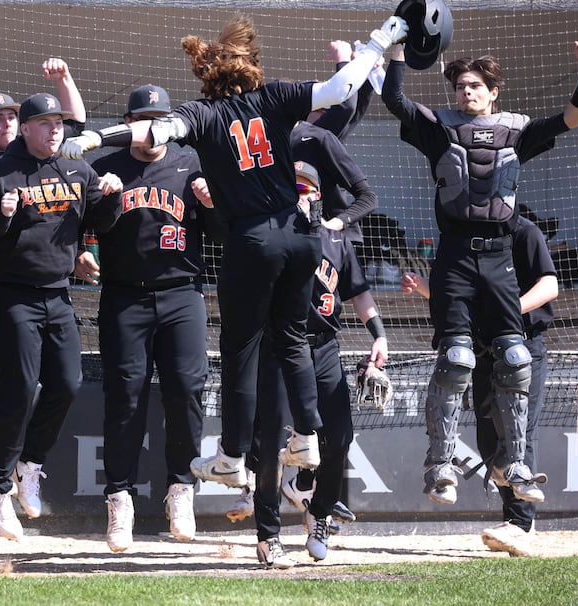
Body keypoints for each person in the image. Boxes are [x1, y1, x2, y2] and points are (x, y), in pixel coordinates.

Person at [61, 14, 408, 489]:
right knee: (291, 338)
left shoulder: (202, 114)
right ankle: (306, 435)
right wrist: (380, 39)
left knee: (240, 349)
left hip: (254, 239)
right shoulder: (277, 96)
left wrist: (97, 137)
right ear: (250, 69)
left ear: (209, 76)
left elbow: (154, 133)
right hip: (303, 235)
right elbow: (341, 88)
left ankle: (230, 456)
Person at [381, 41, 578, 504]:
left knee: (515, 358)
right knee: (456, 360)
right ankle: (440, 465)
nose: (465, 92)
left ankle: (515, 462)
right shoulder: (440, 130)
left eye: (474, 86)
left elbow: (572, 118)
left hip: (499, 257)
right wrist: (395, 52)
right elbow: (395, 102)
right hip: (454, 256)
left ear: (493, 91)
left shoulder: (517, 131)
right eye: (460, 86)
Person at [79, 85, 225, 553]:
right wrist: (103, 204)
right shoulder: (105, 167)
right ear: (128, 123)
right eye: (142, 117)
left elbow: (222, 235)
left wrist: (210, 203)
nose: (151, 125)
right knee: (126, 396)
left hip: (183, 293)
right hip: (124, 297)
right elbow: (88, 229)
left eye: (159, 117)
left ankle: (180, 488)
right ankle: (119, 498)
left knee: (187, 389)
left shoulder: (192, 165)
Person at [0, 92, 122, 541]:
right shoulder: (2, 172)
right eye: (46, 123)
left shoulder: (77, 168)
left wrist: (110, 196)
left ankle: (29, 464)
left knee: (66, 383)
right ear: (28, 129)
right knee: (17, 386)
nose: (56, 130)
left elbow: (102, 221)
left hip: (58, 294)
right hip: (12, 294)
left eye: (59, 123)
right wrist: (2, 215)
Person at [0, 58, 86, 496]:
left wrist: (64, 79)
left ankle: (25, 464)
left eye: (11, 114)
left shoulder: (51, 153)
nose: (6, 122)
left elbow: (76, 126)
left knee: (59, 381)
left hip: (41, 282)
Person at [250, 163, 388, 568]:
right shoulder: (269, 234)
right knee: (272, 442)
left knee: (340, 437)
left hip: (324, 346)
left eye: (307, 188)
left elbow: (358, 292)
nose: (300, 195)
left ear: (317, 195)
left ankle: (321, 511)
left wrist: (378, 334)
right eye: (292, 187)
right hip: (278, 346)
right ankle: (268, 536)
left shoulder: (336, 238)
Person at [401, 215, 558, 557]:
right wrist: (422, 286)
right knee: (489, 439)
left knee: (519, 433)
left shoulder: (525, 233)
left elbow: (550, 286)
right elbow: (457, 296)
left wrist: (508, 311)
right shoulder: (464, 241)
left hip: (522, 348)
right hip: (484, 351)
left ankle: (520, 524)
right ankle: (512, 518)